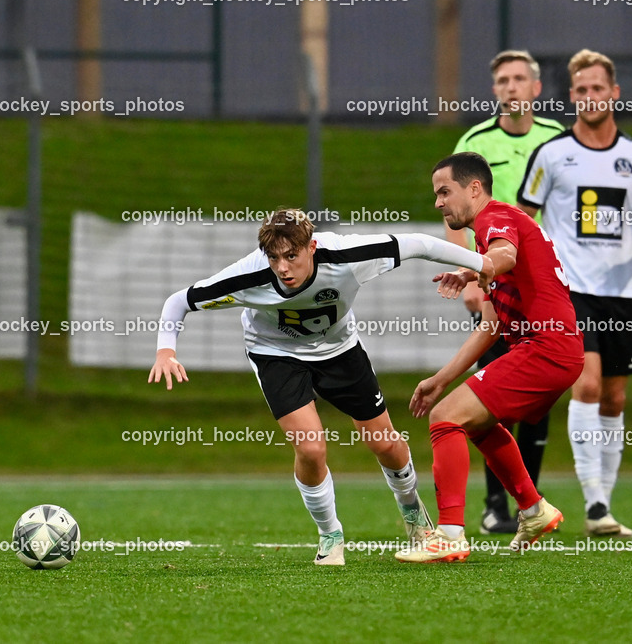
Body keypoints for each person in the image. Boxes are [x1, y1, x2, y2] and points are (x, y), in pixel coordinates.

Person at [149, 208, 495, 565]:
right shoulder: (249, 275)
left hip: (339, 350)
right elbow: (179, 302)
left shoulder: (347, 256)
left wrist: (482, 263)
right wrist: (165, 351)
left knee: (384, 442)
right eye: (274, 258)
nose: (283, 268)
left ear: (312, 247)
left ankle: (415, 518)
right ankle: (330, 536)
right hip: (276, 355)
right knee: (311, 448)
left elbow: (420, 244)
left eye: (291, 256)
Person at [517, 49, 632, 538]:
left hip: (621, 292)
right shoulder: (552, 155)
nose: (590, 96)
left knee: (614, 397)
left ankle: (603, 503)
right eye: (582, 89)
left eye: (598, 88)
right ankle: (594, 503)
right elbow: (524, 219)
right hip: (569, 290)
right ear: (572, 96)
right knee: (586, 385)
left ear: (614, 93)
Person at [395, 152, 585, 563]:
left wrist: (479, 266)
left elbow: (505, 255)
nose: (438, 203)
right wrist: (441, 378)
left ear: (475, 188)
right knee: (475, 423)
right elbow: (491, 325)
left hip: (547, 348)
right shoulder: (492, 234)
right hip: (550, 349)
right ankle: (533, 509)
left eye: (445, 192)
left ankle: (449, 534)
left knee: (445, 418)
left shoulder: (494, 219)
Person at [447, 49, 566, 534]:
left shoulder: (557, 138)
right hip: (494, 278)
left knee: (534, 397)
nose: (511, 87)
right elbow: (455, 214)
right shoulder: (475, 141)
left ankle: (529, 500)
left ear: (536, 88)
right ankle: (496, 502)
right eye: (503, 80)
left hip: (540, 280)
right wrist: (472, 274)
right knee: (491, 390)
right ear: (494, 89)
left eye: (519, 78)